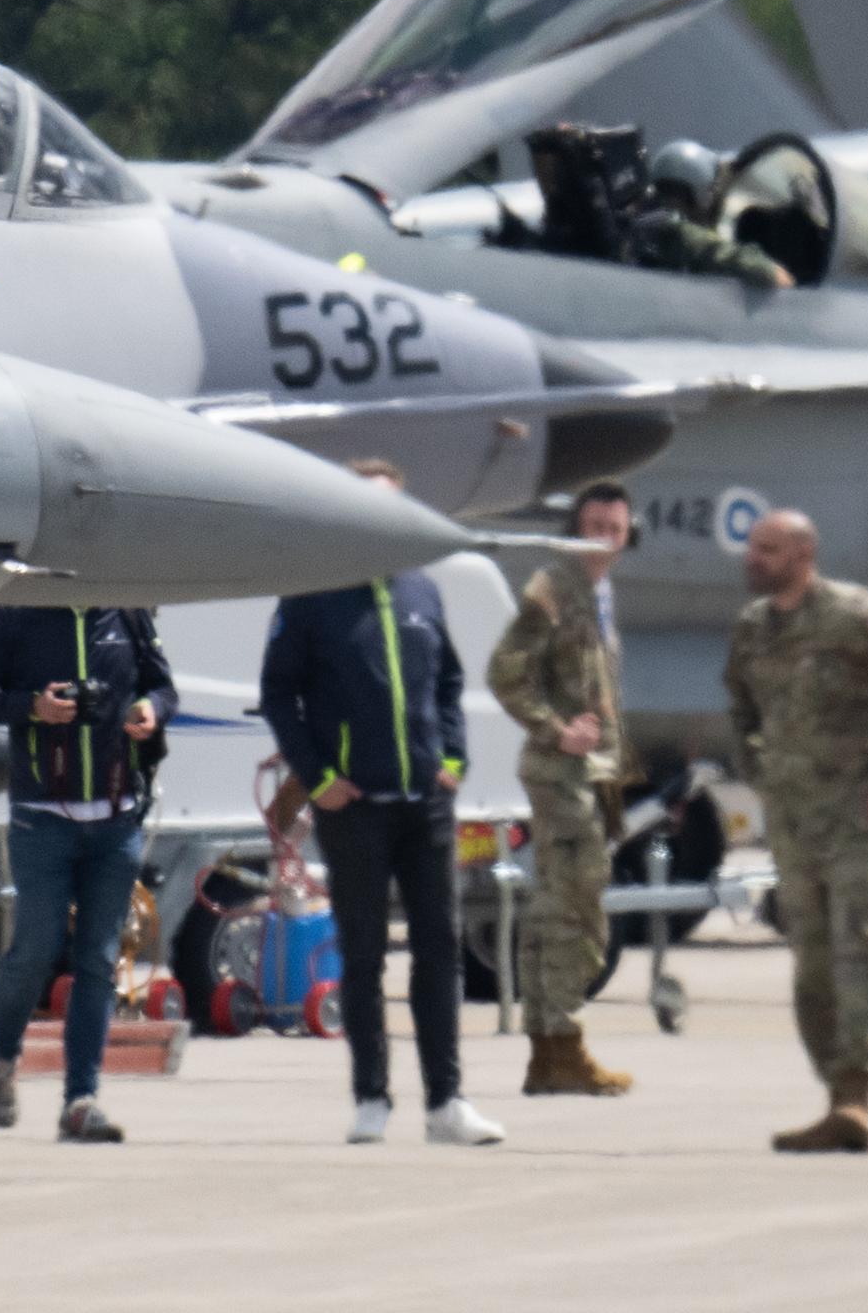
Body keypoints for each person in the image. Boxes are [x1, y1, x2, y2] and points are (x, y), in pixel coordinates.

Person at [259, 458, 505, 1148]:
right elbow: (281, 693)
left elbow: (450, 683)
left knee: (439, 949)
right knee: (363, 954)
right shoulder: (312, 597)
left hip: (423, 803)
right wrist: (318, 775)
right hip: (354, 806)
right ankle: (372, 1095)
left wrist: (452, 760)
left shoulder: (422, 590)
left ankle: (446, 1103)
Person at [722, 510, 868, 1153]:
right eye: (752, 549)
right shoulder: (751, 630)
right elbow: (741, 711)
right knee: (812, 963)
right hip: (793, 821)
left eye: (768, 550)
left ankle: (857, 1096)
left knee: (853, 947)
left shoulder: (860, 618)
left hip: (858, 811)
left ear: (804, 553)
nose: (754, 560)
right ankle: (835, 1093)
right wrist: (760, 775)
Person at [0, 604, 177, 1144]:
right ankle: (4, 1058)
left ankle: (81, 1099)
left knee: (100, 960)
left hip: (117, 817)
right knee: (33, 950)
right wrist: (33, 707)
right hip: (42, 818)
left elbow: (164, 688)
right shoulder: (16, 614)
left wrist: (150, 708)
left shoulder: (127, 613)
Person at [487, 479, 635, 1097]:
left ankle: (550, 1052)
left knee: (557, 909)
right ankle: (561, 1044)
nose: (603, 535)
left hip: (591, 777)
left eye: (614, 525)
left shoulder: (599, 593)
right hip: (562, 774)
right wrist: (555, 730)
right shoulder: (554, 590)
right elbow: (505, 672)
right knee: (575, 911)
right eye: (592, 523)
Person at [630, 140, 794, 290]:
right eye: (711, 188)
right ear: (699, 191)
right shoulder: (678, 233)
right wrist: (775, 272)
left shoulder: (639, 222)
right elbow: (763, 271)